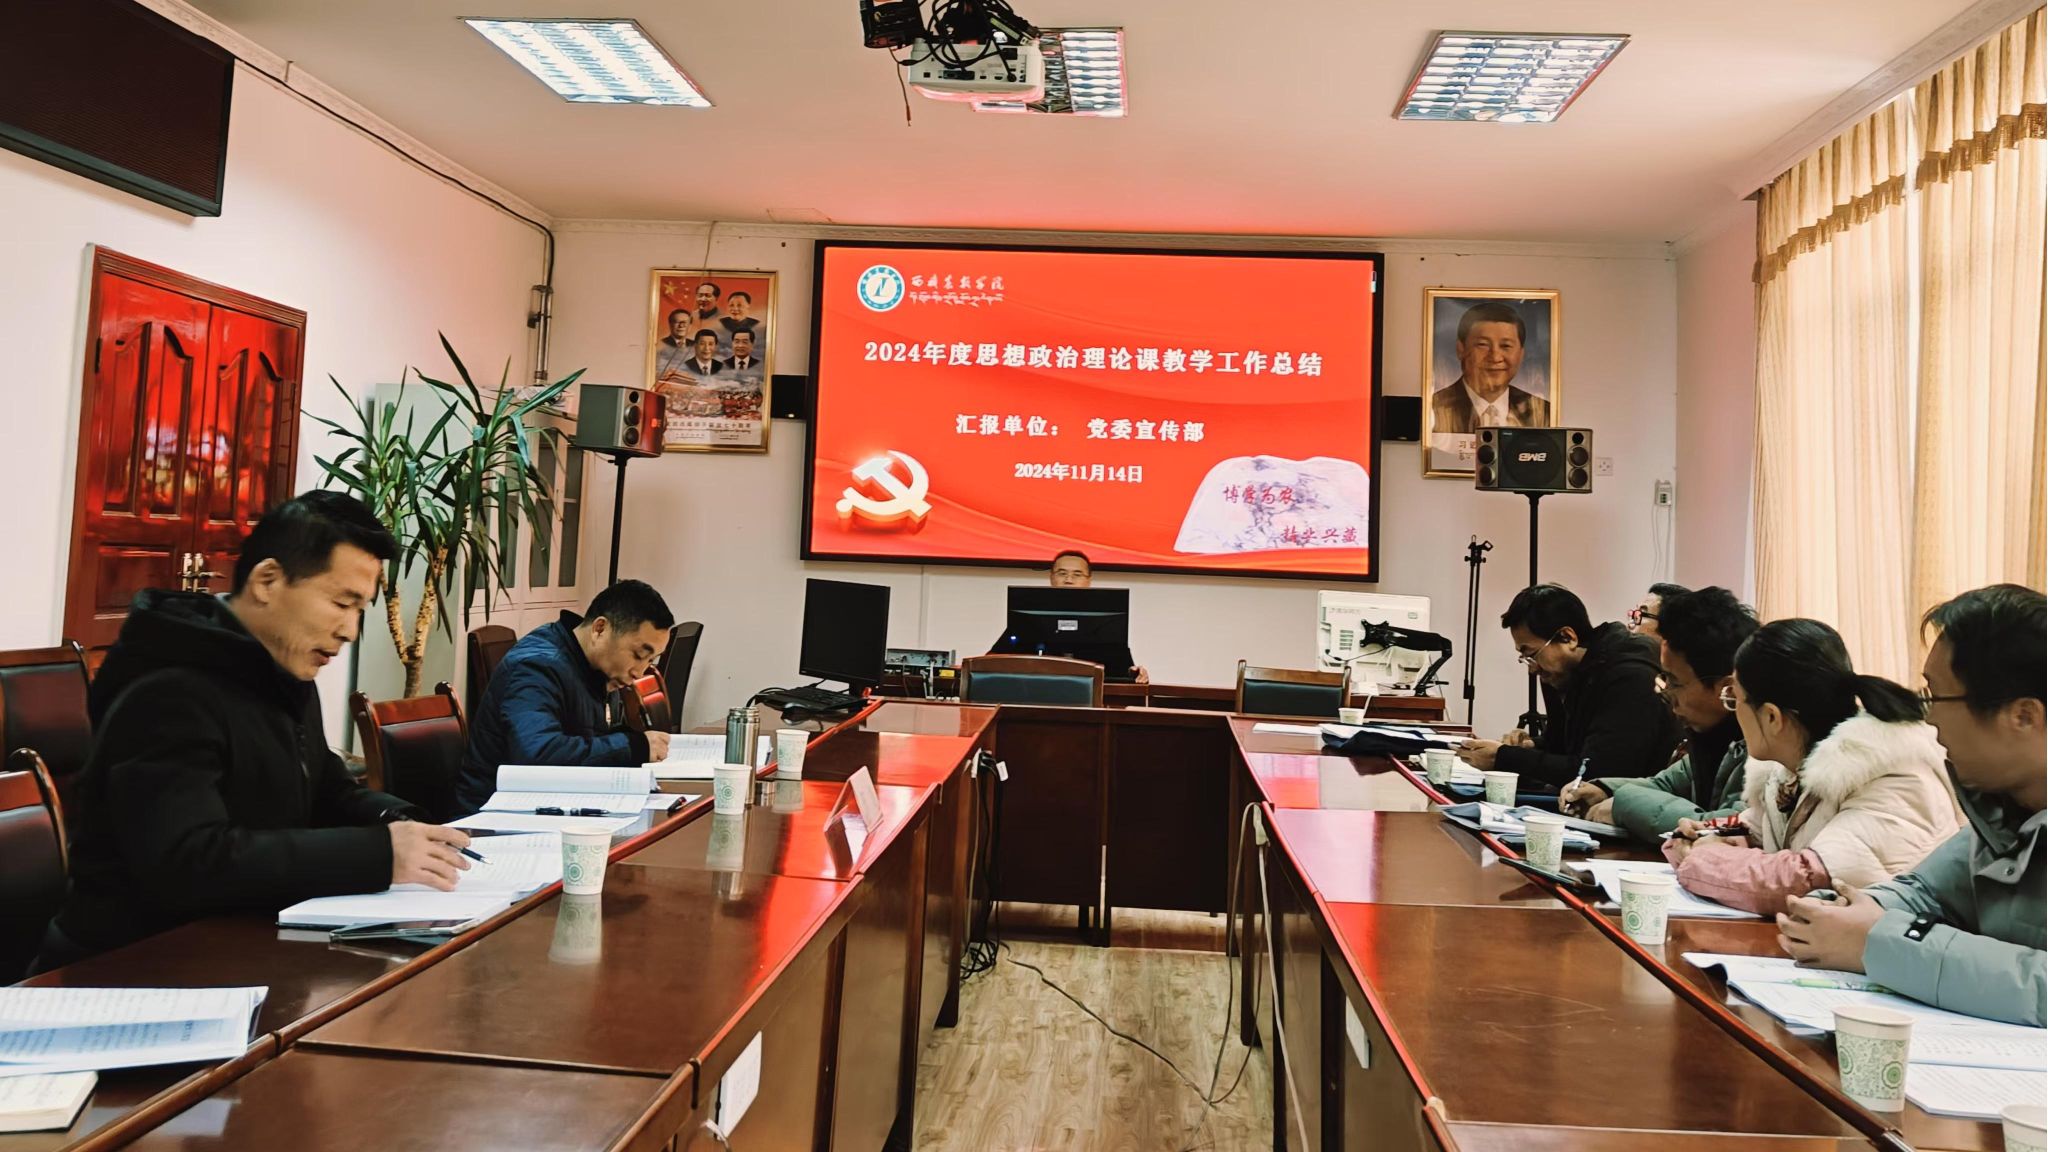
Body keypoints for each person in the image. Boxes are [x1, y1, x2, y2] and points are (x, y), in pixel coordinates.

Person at [36, 492, 472, 969]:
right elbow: (190, 861)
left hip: (238, 944)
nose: (350, 630)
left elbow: (325, 789)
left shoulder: (280, 669)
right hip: (128, 966)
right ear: (267, 581)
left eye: (360, 610)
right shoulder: (168, 689)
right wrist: (379, 855)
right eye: (340, 603)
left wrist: (399, 822)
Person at [1778, 584, 2045, 1027]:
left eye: (1937, 696)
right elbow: (1923, 893)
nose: (1929, 717)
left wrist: (1876, 942)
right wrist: (1842, 911)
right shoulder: (2001, 810)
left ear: (2023, 716)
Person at [1664, 618, 1958, 917]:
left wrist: (1700, 858)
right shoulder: (1789, 773)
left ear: (1771, 717)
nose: (1733, 711)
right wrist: (1702, 837)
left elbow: (1801, 880)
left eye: (1734, 699)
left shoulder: (1891, 771)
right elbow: (1753, 830)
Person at [457, 581, 675, 815]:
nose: (640, 672)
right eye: (639, 655)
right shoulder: (536, 666)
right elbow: (537, 755)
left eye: (650, 660)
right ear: (600, 629)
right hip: (492, 817)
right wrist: (632, 747)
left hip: (546, 807)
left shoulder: (592, 668)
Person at [1561, 586, 1757, 841]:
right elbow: (1665, 784)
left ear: (1726, 688)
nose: (1665, 692)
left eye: (1675, 682)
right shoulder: (1710, 736)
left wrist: (1623, 804)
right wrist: (1603, 789)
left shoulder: (1763, 748)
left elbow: (1719, 826)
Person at [1459, 584, 1677, 789]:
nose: (1532, 669)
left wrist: (1504, 757)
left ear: (1567, 637)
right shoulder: (1565, 672)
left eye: (1531, 654)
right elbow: (1562, 746)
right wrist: (1529, 746)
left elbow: (1598, 772)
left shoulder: (1630, 677)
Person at [991, 549, 1149, 684]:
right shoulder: (1028, 618)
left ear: (1088, 580)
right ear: (1051, 578)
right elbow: (992, 661)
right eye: (1062, 573)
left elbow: (1123, 671)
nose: (1069, 580)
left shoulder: (1107, 621)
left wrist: (1135, 673)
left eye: (1077, 574)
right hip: (1035, 692)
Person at [1429, 301, 1552, 434]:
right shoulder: (1432, 408)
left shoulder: (1544, 412)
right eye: (1483, 344)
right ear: (1461, 349)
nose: (1495, 357)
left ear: (1521, 354)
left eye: (1505, 346)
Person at [654, 308, 693, 383]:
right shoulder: (660, 345)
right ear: (670, 324)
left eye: (685, 322)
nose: (681, 326)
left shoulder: (696, 346)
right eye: (677, 322)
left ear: (690, 325)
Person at [719, 290, 763, 355]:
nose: (735, 309)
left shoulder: (757, 325)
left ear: (748, 306)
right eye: (731, 305)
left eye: (739, 305)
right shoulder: (720, 323)